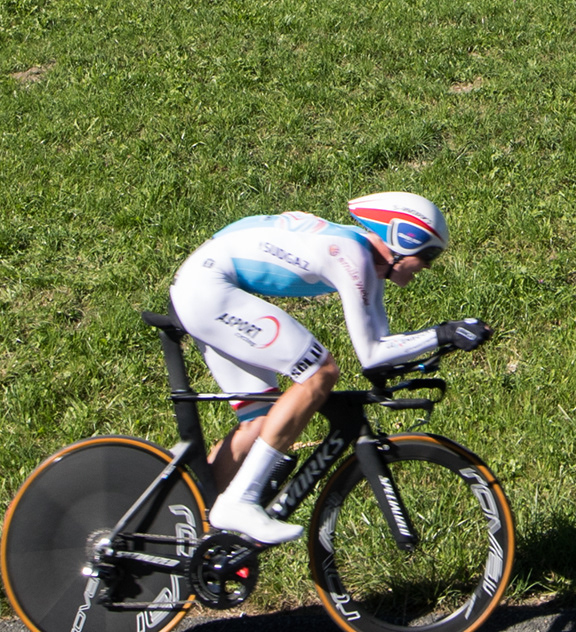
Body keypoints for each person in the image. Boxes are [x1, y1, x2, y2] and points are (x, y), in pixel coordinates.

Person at [168, 190, 490, 545]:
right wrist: (443, 333)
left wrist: (437, 341)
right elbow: (371, 354)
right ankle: (239, 502)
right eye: (429, 254)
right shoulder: (351, 254)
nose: (428, 266)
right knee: (320, 372)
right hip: (209, 288)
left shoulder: (358, 254)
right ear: (402, 240)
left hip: (201, 284)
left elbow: (381, 348)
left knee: (258, 422)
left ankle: (196, 535)